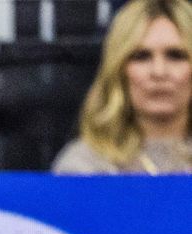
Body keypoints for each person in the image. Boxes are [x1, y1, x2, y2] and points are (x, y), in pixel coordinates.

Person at [52, 0, 192, 174]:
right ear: (118, 70)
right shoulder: (81, 167)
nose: (159, 72)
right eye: (141, 56)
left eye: (176, 55)